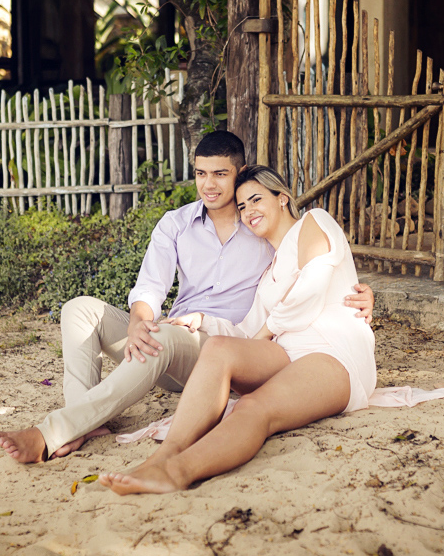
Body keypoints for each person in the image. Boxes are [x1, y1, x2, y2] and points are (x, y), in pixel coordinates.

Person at [0, 134, 373, 463]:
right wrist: (139, 323)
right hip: (169, 343)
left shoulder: (262, 226)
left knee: (165, 335)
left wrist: (359, 294)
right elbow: (149, 288)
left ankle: (54, 431)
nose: (209, 185)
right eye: (201, 174)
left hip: (220, 350)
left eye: (220, 174)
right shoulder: (176, 223)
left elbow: (312, 268)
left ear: (239, 174)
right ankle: (82, 418)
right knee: (80, 310)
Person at [98, 165, 375, 495]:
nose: (248, 211)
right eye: (242, 206)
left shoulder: (314, 222)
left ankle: (177, 472)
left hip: (332, 353)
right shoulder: (269, 273)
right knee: (218, 347)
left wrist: (266, 332)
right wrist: (201, 319)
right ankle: (163, 456)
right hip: (288, 354)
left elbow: (311, 289)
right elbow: (246, 331)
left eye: (256, 200)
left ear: (282, 198)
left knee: (252, 407)